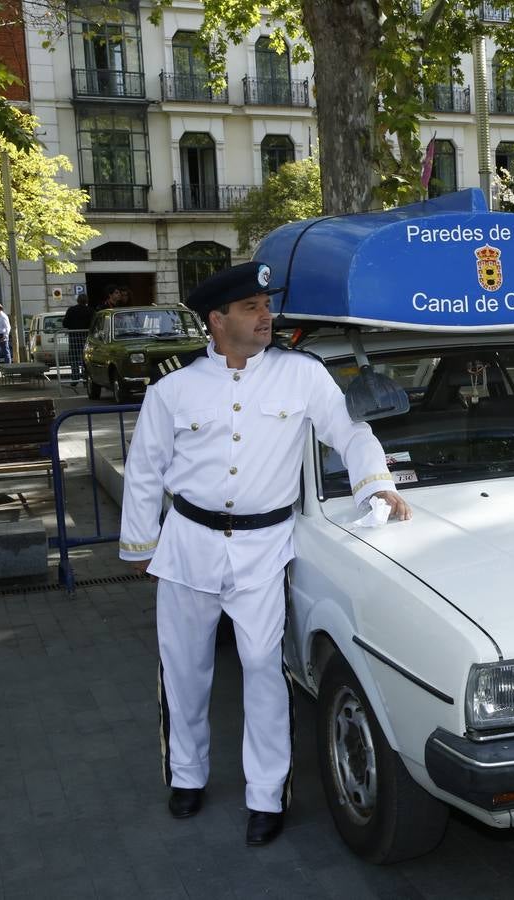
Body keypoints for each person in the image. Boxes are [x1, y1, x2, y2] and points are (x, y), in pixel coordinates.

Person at [118, 261, 410, 848]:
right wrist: (140, 546)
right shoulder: (173, 388)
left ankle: (266, 794)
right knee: (184, 670)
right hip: (188, 545)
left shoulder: (300, 376)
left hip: (263, 546)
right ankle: (187, 777)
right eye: (251, 308)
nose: (265, 316)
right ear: (217, 319)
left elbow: (349, 430)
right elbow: (146, 471)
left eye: (265, 306)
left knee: (262, 669)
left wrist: (376, 481)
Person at [62, 294, 93, 384]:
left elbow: (65, 323)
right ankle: (86, 378)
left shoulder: (71, 310)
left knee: (74, 358)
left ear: (78, 300)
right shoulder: (90, 310)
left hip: (74, 337)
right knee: (86, 358)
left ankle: (75, 378)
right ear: (86, 301)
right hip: (86, 337)